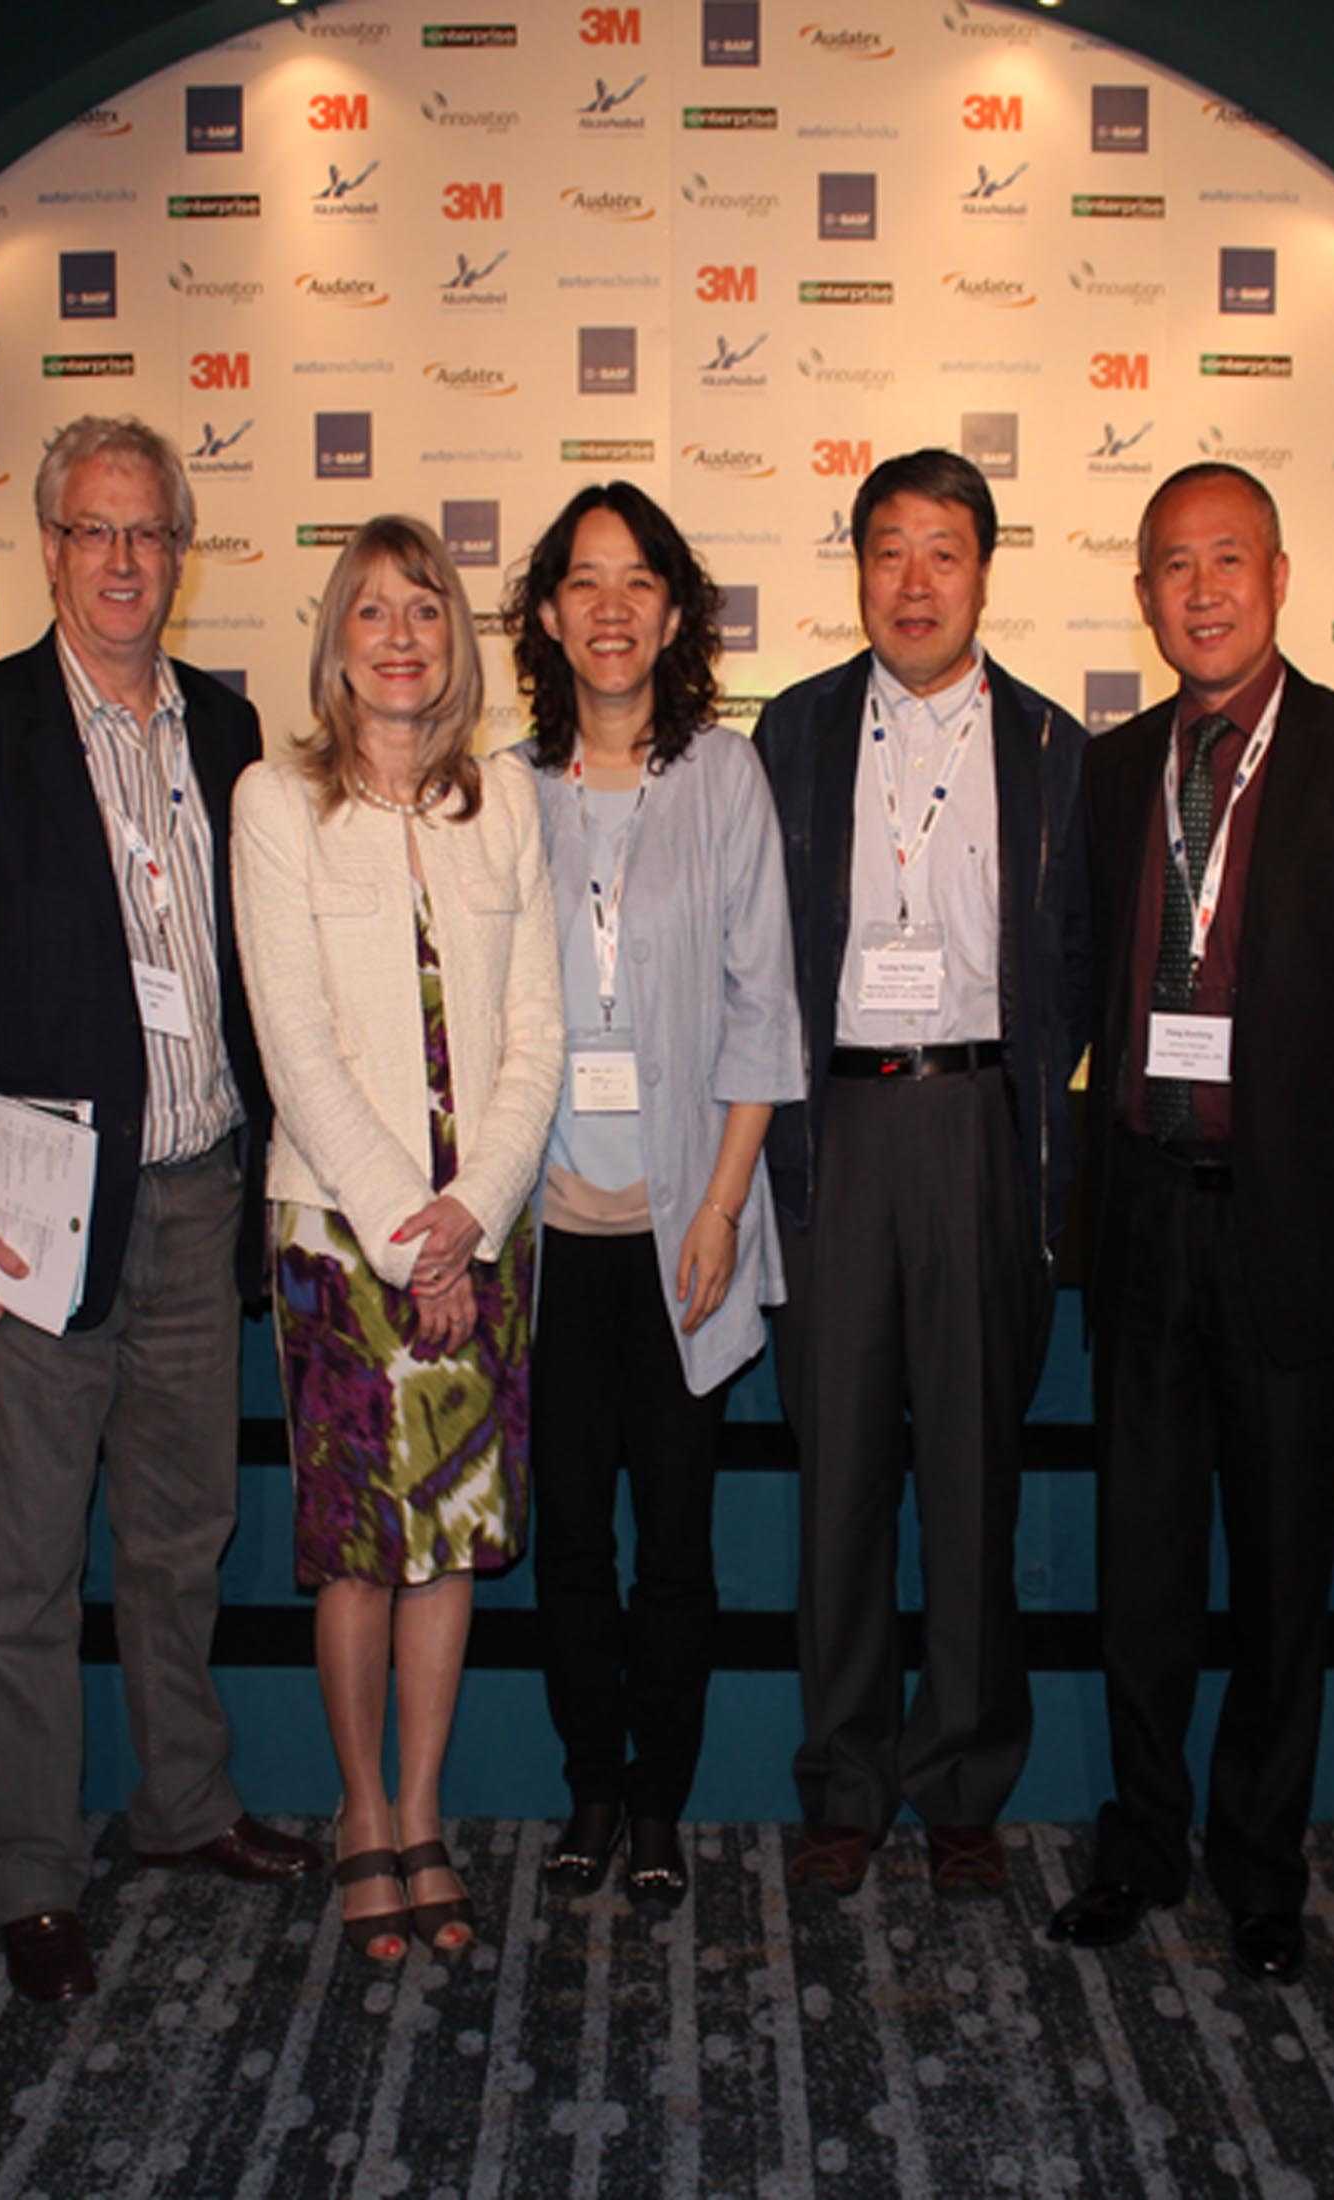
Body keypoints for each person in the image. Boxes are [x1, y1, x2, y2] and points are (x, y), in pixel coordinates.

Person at [0, 416, 317, 2007]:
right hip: (37, 1208)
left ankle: (183, 1803)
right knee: (25, 1559)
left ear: (180, 554)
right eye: (94, 530)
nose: (123, 559)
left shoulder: (230, 727)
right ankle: (32, 1875)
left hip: (201, 1191)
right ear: (49, 548)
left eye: (149, 532)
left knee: (184, 1532)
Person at [1046, 463, 1334, 1982]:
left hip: (1289, 1227)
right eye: (1173, 566)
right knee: (1142, 1570)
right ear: (1144, 594)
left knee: (1279, 1574)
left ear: (1278, 575)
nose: (1201, 591)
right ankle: (1141, 1843)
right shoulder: (1114, 769)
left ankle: (1264, 1869)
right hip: (1143, 1219)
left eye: (1227, 559)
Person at [754, 448, 1092, 1897]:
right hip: (832, 1133)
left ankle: (962, 1778)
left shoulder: (1053, 745)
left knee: (971, 1474)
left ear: (984, 573)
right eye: (887, 550)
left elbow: (1075, 962)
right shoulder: (794, 730)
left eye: (942, 551)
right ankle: (844, 1780)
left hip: (976, 1127)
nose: (913, 581)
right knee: (837, 1479)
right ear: (858, 571)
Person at [232, 516, 561, 1962]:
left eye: (424, 609)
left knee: (453, 1542)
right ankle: (361, 1810)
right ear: (335, 641)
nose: (401, 636)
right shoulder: (274, 802)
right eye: (371, 611)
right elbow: (293, 1043)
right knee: (363, 1547)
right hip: (336, 1239)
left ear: (456, 638)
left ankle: (424, 1810)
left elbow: (537, 1034)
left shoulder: (507, 804)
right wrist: (403, 1233)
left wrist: (470, 1217)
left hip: (484, 1234)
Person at [501, 484, 801, 1907]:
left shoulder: (724, 778)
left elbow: (762, 1005)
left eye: (638, 582)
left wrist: (725, 1207)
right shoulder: (504, 790)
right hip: (551, 1238)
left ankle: (664, 1803)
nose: (610, 606)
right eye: (584, 580)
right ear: (549, 613)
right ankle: (592, 1790)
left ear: (674, 613)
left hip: (688, 1230)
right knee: (568, 1540)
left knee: (676, 1545)